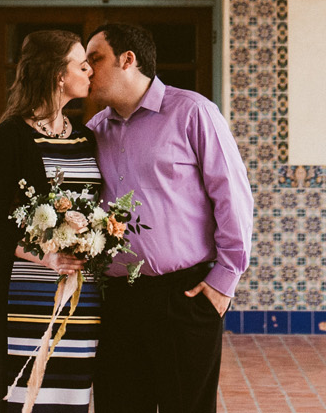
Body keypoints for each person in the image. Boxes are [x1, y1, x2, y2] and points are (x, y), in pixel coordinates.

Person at [85, 23, 253, 413]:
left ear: (128, 59)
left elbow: (233, 196)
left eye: (96, 58)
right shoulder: (95, 130)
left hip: (185, 297)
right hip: (118, 301)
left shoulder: (193, 112)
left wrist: (223, 283)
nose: (88, 69)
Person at [0, 30, 101, 411]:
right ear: (57, 75)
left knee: (72, 394)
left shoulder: (85, 138)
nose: (90, 71)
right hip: (27, 295)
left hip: (82, 295)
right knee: (27, 398)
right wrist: (46, 256)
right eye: (81, 64)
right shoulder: (11, 136)